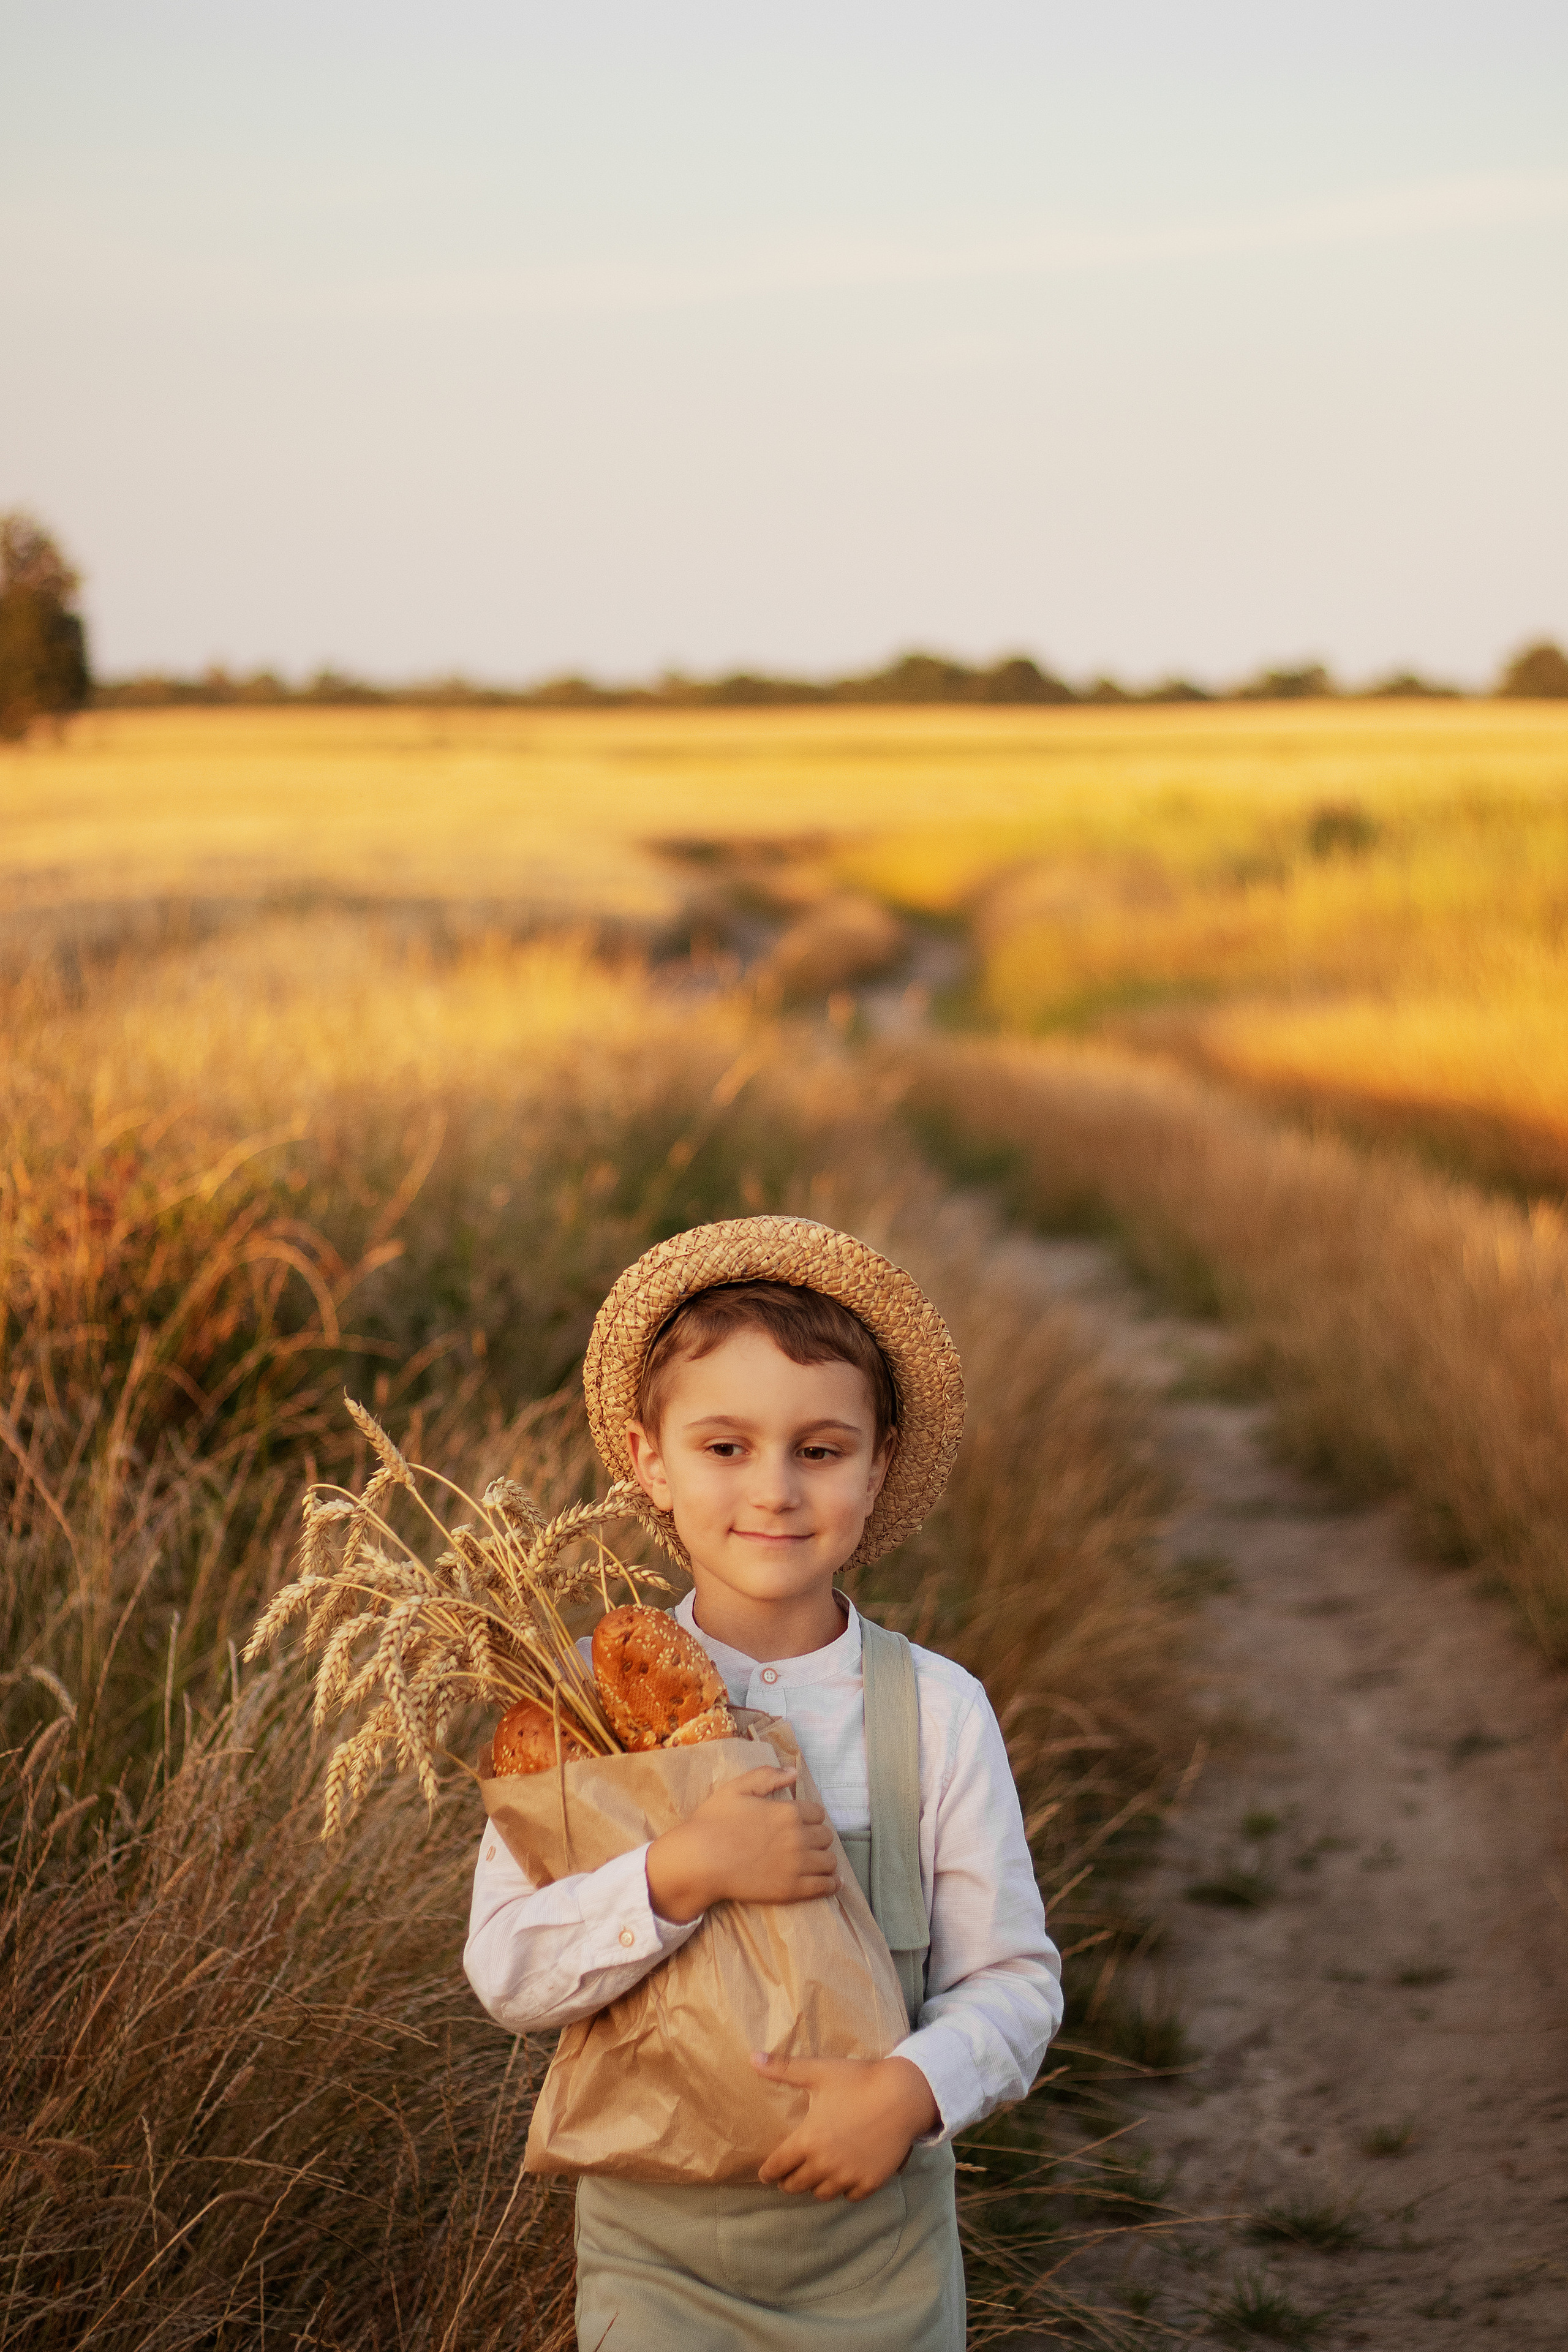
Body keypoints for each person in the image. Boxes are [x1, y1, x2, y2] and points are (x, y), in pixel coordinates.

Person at [464, 1215, 1063, 2349]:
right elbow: (508, 1971)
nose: (776, 1491)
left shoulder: (934, 1711)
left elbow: (1015, 1984)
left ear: (878, 1464)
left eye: (821, 1450)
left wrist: (912, 2090)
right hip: (657, 2257)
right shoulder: (587, 1709)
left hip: (875, 2252)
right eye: (726, 1447)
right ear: (650, 1459)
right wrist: (674, 1875)